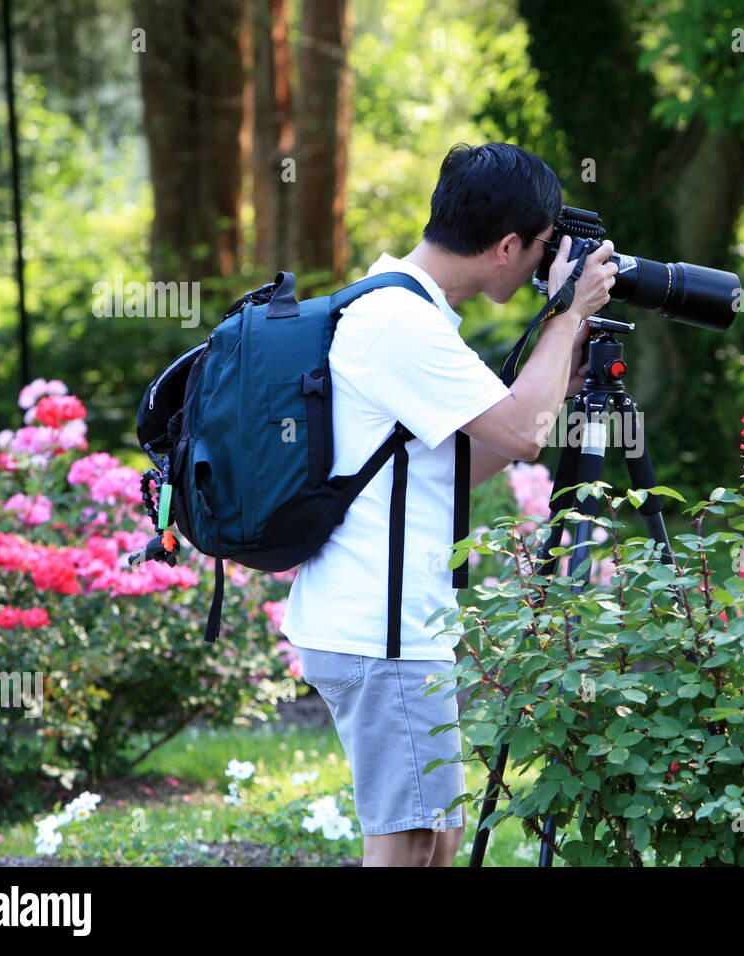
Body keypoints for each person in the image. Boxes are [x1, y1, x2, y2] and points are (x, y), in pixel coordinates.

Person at [280, 142, 616, 866]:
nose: (540, 269)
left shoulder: (398, 306)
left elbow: (463, 462)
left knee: (438, 837)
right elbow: (524, 434)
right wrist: (567, 317)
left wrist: (565, 350)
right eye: (538, 251)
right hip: (381, 626)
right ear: (505, 246)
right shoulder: (402, 323)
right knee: (406, 844)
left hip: (387, 623)